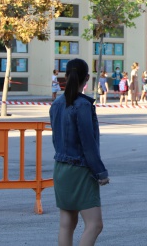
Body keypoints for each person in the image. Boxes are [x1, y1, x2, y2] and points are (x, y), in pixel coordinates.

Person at [49, 58, 109, 246]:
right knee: (95, 224)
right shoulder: (83, 105)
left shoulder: (56, 104)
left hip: (61, 168)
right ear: (87, 78)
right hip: (80, 169)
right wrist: (100, 171)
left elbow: (56, 139)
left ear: (65, 76)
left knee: (67, 224)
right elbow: (88, 143)